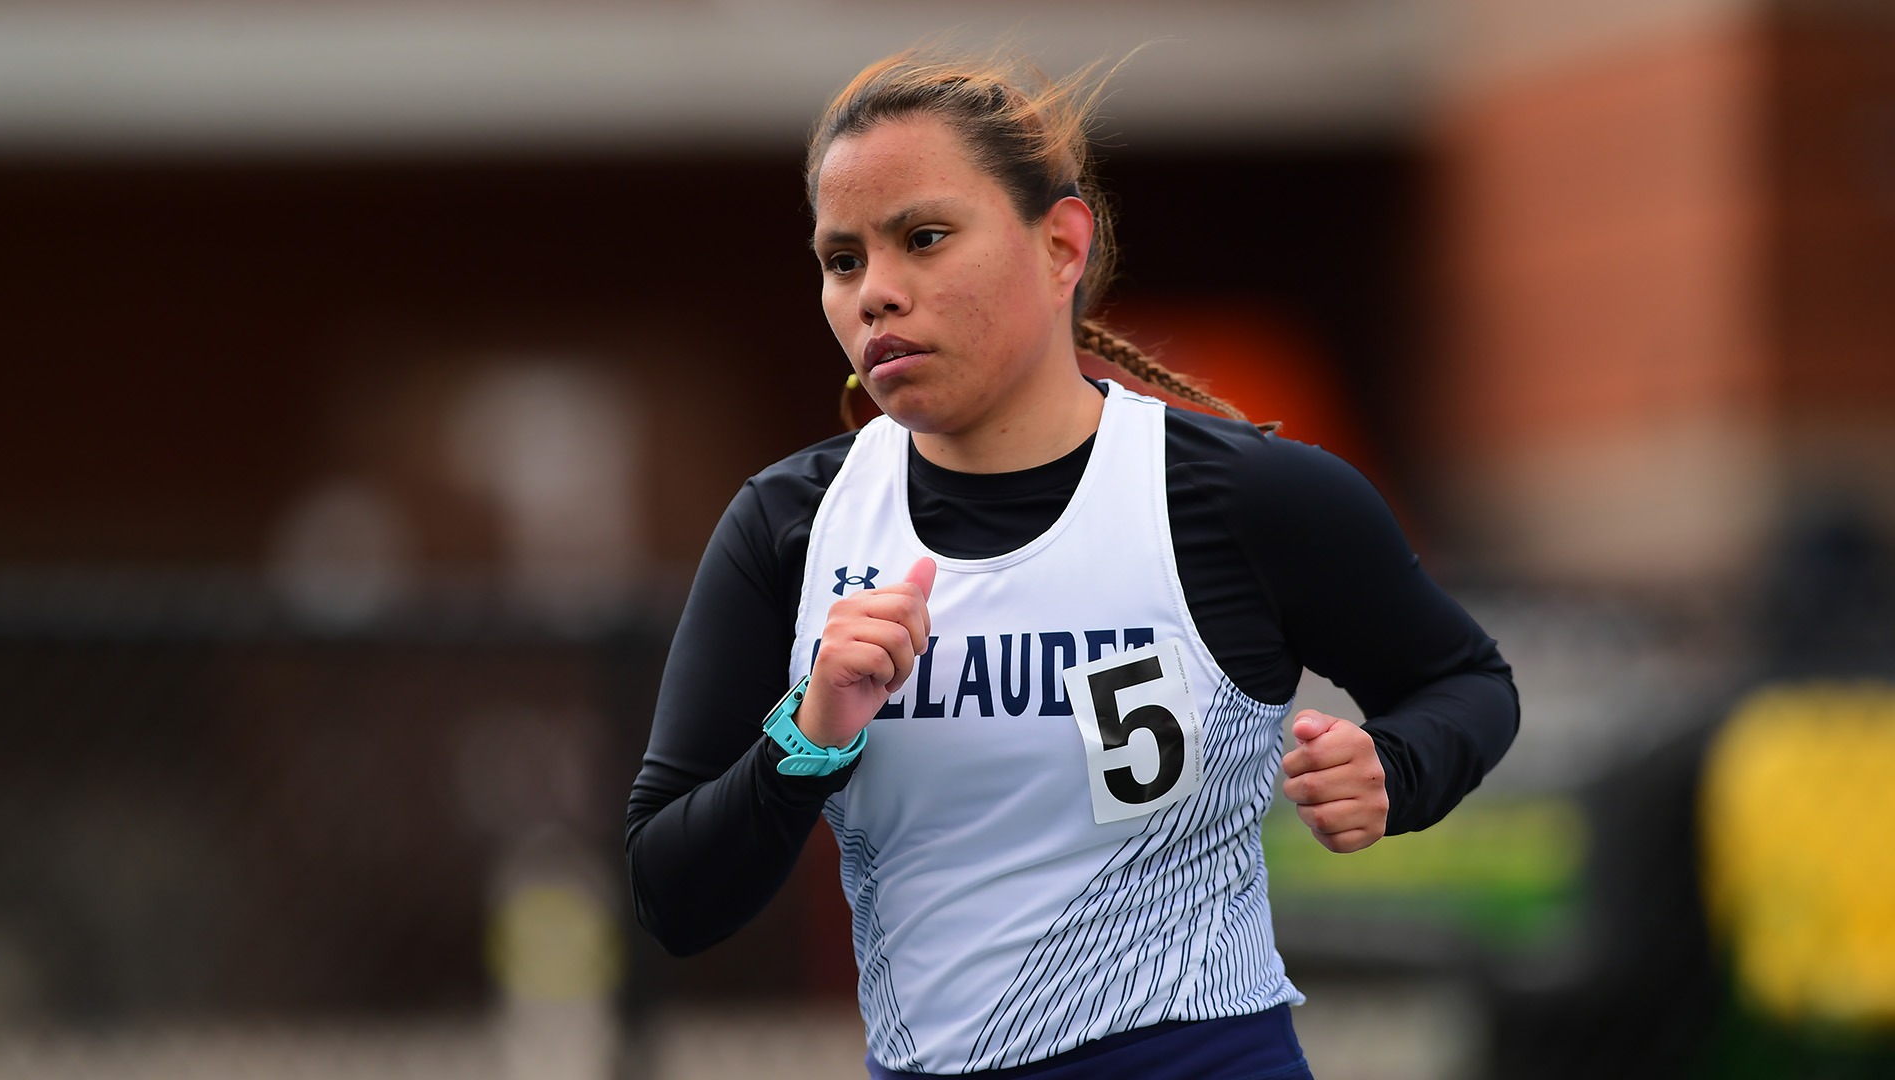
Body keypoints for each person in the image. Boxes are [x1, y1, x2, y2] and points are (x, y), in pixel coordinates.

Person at [626, 46, 1519, 1080]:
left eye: (924, 238)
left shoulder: (1244, 498)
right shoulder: (792, 525)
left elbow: (1467, 683)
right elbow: (671, 896)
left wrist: (1395, 770)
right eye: (843, 260)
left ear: (1060, 248)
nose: (877, 294)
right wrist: (810, 734)